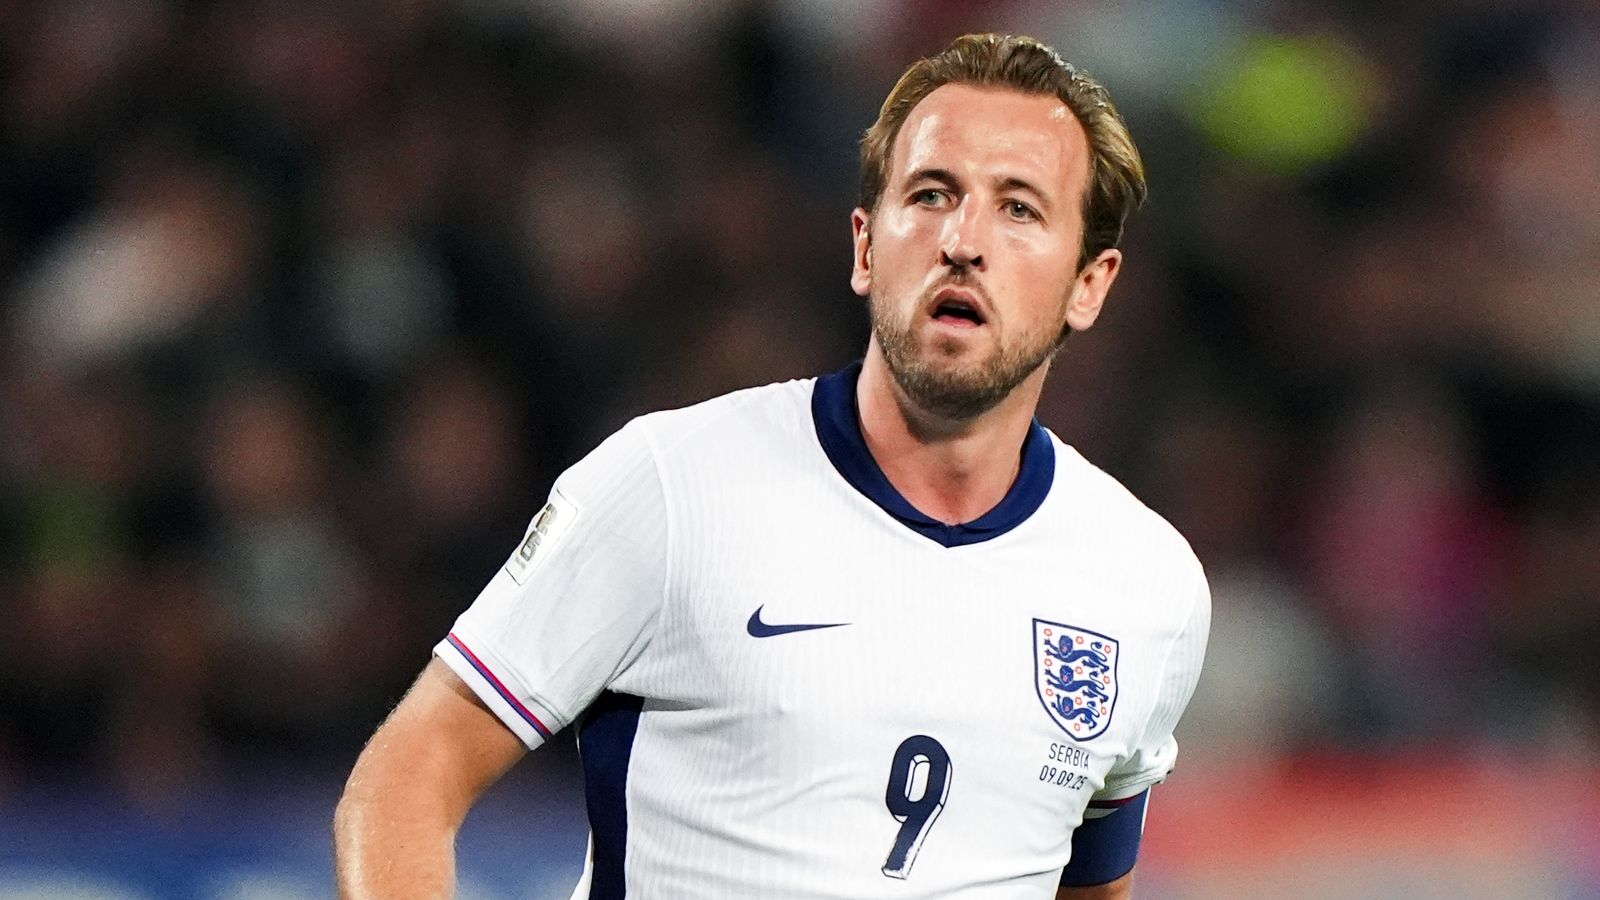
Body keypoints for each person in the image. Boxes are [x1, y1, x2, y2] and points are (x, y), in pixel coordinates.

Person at [335, 32, 1209, 900]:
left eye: (1019, 208)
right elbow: (409, 776)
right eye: (931, 194)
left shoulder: (1147, 585)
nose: (962, 240)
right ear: (866, 248)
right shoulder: (673, 485)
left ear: (1089, 284)